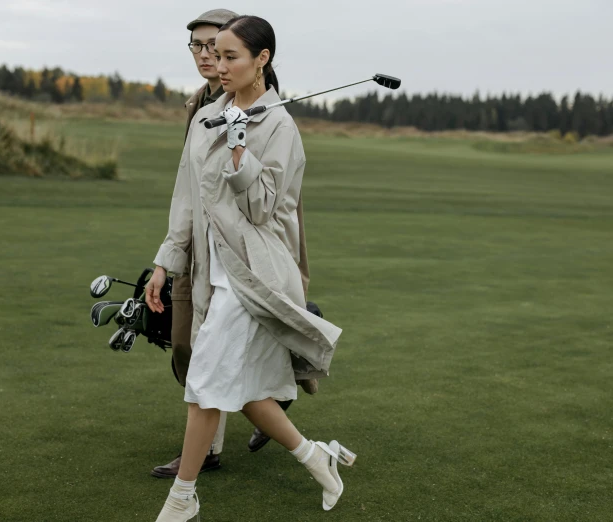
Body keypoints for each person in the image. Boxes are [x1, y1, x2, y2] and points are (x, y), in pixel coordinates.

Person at [146, 15, 354, 521]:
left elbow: (263, 207)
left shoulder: (278, 125)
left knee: (204, 385)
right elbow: (188, 199)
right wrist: (164, 261)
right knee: (247, 393)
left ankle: (182, 499)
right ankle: (316, 456)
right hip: (210, 275)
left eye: (230, 55)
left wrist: (241, 147)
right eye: (214, 54)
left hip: (253, 276)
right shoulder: (204, 118)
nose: (218, 65)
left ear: (262, 59)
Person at [151, 7, 238, 480]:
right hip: (193, 246)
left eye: (217, 47)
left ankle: (205, 451)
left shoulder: (254, 105)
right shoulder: (198, 104)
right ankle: (273, 401)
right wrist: (167, 258)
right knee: (184, 347)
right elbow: (187, 188)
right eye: (198, 47)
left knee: (209, 351)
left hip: (231, 254)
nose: (206, 56)